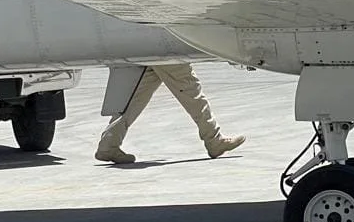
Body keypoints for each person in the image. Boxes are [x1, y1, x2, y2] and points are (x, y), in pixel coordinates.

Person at [95, 63, 245, 164]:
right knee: (191, 91)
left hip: (149, 43)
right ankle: (214, 140)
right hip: (163, 38)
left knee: (135, 96)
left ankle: (108, 144)